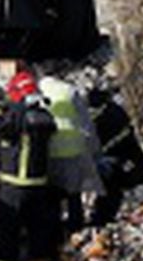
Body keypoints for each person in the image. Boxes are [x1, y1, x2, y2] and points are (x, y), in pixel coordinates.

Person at [0, 68, 60, 261]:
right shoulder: (45, 116)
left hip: (14, 184)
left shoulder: (17, 115)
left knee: (8, 227)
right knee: (37, 226)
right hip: (39, 183)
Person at [38, 74, 104, 232]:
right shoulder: (70, 90)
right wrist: (95, 150)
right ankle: (76, 228)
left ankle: (54, 230)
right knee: (74, 194)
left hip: (50, 150)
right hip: (74, 150)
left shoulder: (37, 92)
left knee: (52, 193)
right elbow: (86, 124)